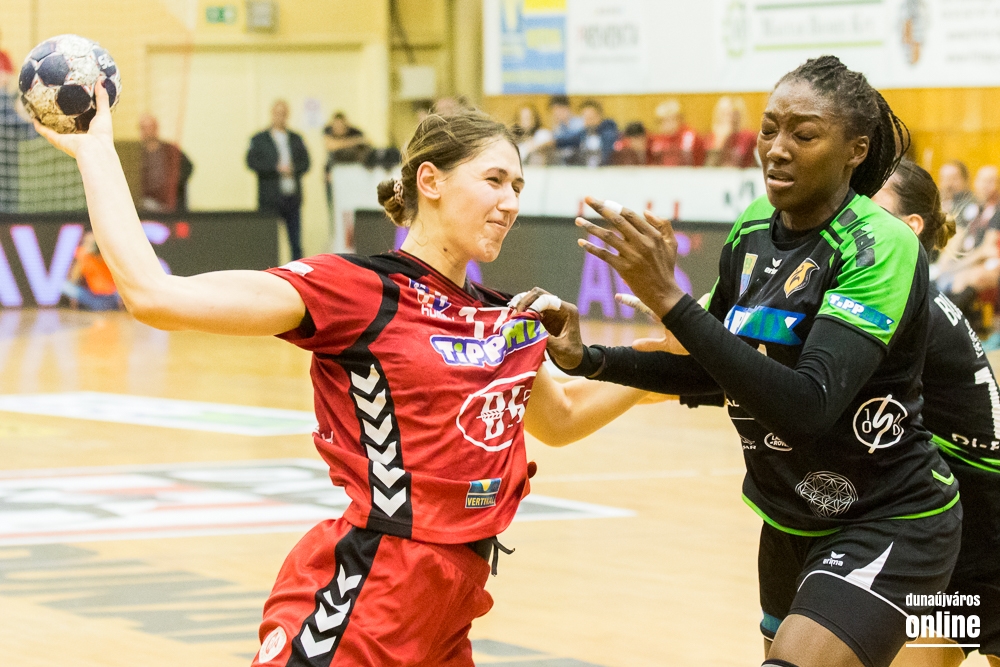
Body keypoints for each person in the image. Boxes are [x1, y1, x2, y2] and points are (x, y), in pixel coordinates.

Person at [35, 85, 651, 667]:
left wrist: (667, 354)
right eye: (493, 180)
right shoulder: (357, 289)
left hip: (453, 599)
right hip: (371, 591)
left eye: (517, 185)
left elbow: (561, 419)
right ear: (430, 181)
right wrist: (95, 150)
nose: (511, 202)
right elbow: (154, 295)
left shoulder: (504, 318)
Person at [523, 55, 962, 667]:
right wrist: (587, 358)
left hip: (887, 518)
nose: (777, 149)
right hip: (787, 517)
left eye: (803, 135)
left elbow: (806, 406)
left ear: (855, 150)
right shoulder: (753, 227)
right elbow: (717, 370)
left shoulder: (880, 245)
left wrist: (672, 301)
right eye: (769, 129)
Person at [871, 161, 1000, 667]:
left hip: (986, 514)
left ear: (911, 226)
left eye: (873, 206)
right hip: (954, 518)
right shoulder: (901, 291)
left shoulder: (908, 301)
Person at [934, 165, 1000, 333]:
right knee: (934, 278)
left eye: (991, 181)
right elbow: (956, 239)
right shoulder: (971, 207)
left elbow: (986, 250)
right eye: (982, 180)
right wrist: (943, 265)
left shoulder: (997, 210)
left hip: (985, 264)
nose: (986, 186)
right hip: (966, 261)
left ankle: (949, 330)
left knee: (961, 279)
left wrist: (957, 267)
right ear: (975, 183)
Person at [247, 100, 311, 260]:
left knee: (295, 243)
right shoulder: (260, 139)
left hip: (292, 197)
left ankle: (296, 271)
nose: (280, 117)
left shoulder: (296, 138)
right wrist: (274, 168)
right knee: (268, 241)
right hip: (269, 198)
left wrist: (293, 169)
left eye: (283, 114)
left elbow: (306, 162)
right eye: (277, 113)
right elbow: (251, 162)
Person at [138, 114, 193, 212]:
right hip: (146, 203)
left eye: (150, 127)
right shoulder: (137, 154)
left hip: (170, 203)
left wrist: (172, 184)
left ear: (156, 128)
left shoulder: (170, 150)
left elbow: (188, 167)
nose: (147, 131)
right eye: (144, 128)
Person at [61, 231, 120, 311]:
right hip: (95, 298)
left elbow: (74, 279)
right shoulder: (85, 256)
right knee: (63, 285)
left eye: (93, 243)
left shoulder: (106, 254)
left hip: (111, 298)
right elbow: (74, 279)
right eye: (87, 242)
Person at [646, 99, 705, 167]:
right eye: (660, 121)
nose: (662, 125)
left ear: (677, 119)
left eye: (665, 120)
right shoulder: (656, 140)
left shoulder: (690, 137)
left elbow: (698, 162)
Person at [705, 96, 758, 168]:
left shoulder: (748, 137)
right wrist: (718, 143)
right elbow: (708, 167)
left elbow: (738, 164)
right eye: (724, 113)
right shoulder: (711, 138)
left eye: (733, 113)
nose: (730, 117)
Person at [574, 99, 619, 167]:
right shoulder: (582, 134)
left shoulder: (609, 135)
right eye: (585, 118)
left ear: (599, 117)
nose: (587, 121)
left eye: (590, 118)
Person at [939, 160, 977, 229]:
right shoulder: (934, 203)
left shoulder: (973, 204)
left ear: (965, 180)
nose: (949, 184)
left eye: (954, 179)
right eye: (945, 179)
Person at [548, 94, 584, 165]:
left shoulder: (579, 122)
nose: (555, 114)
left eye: (557, 110)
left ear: (566, 108)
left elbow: (575, 138)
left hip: (579, 160)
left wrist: (556, 141)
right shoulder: (558, 127)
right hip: (564, 161)